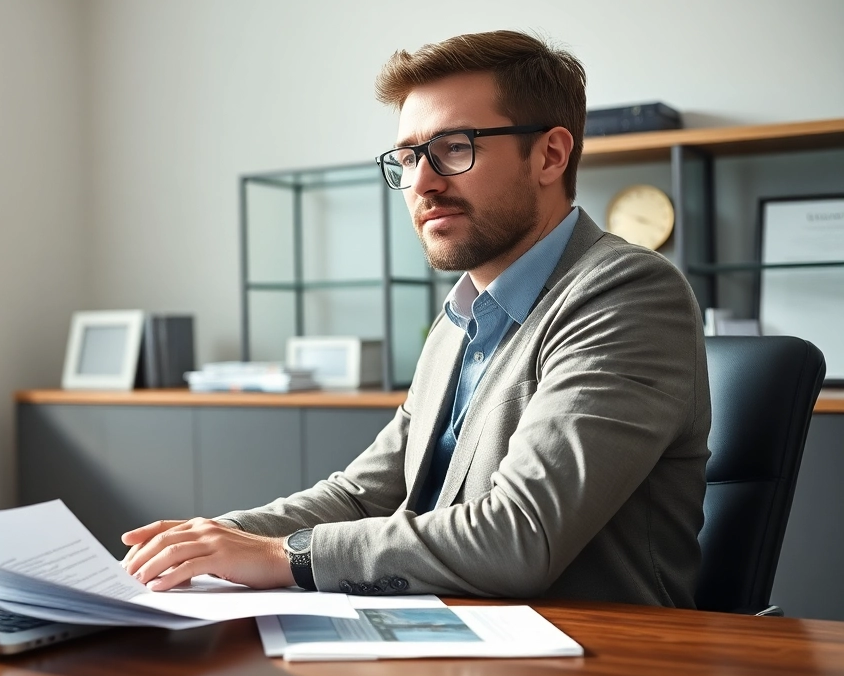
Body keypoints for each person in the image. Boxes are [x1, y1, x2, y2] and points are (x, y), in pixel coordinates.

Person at [121, 30, 711, 608]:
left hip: (591, 664)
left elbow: (520, 537)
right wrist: (206, 542)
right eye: (407, 157)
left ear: (550, 155)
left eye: (455, 147)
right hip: (447, 633)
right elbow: (363, 495)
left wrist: (283, 557)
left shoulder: (627, 293)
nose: (422, 182)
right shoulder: (461, 316)